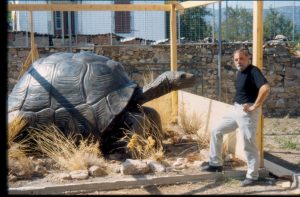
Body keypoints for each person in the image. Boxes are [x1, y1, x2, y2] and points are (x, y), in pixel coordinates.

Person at [201, 48, 271, 187]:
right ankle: (215, 164)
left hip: (248, 112)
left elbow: (265, 88)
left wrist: (254, 106)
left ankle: (253, 176)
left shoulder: (253, 71)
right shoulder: (240, 73)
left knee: (248, 144)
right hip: (236, 109)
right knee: (216, 130)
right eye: (236, 60)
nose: (239, 62)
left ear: (248, 58)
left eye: (241, 58)